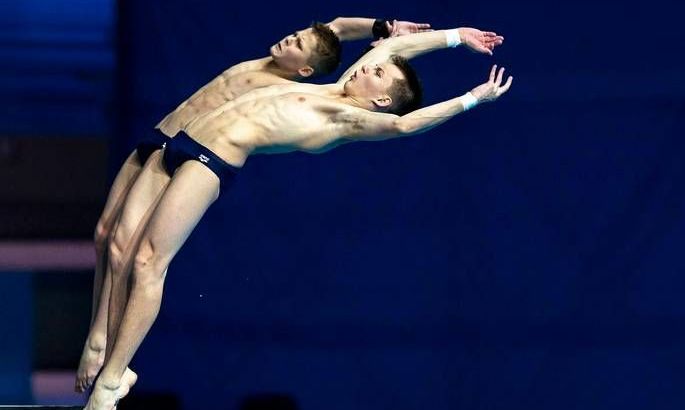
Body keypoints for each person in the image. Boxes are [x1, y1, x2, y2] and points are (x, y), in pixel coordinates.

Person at [85, 28, 510, 410]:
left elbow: (403, 125)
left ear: (380, 100)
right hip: (179, 142)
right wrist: (456, 36)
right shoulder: (339, 88)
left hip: (208, 160)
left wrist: (471, 98)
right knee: (120, 248)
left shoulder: (348, 118)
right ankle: (107, 356)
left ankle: (111, 381)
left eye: (378, 74)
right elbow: (394, 47)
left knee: (148, 262)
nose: (369, 65)